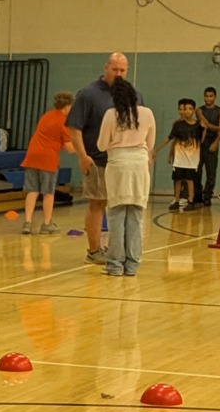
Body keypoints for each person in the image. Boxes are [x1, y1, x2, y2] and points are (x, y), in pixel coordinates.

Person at [66, 53, 143, 264]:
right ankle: (94, 250)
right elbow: (74, 128)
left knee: (123, 205)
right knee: (97, 203)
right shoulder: (89, 94)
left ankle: (120, 249)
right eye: (114, 69)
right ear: (106, 67)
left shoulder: (134, 95)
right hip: (97, 160)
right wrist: (82, 156)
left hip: (124, 162)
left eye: (123, 70)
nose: (118, 74)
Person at [96, 80, 156, 277]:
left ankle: (114, 265)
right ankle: (132, 265)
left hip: (118, 166)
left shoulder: (110, 115)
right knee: (135, 218)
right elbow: (151, 143)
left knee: (116, 217)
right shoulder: (147, 114)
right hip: (139, 165)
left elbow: (101, 145)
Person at [20, 91, 76, 234]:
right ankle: (47, 223)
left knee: (32, 190)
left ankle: (27, 223)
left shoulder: (46, 116)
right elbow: (70, 148)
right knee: (48, 192)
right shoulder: (64, 122)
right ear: (68, 106)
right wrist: (83, 147)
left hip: (32, 155)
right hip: (48, 158)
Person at [152, 98, 200, 212]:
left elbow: (203, 139)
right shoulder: (178, 125)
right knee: (177, 179)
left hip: (192, 159)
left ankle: (191, 201)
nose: (186, 111)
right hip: (179, 158)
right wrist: (157, 149)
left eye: (189, 109)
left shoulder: (199, 126)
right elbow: (170, 138)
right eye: (184, 109)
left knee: (190, 180)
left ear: (194, 111)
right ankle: (177, 200)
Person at [194, 87, 220, 206]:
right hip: (200, 143)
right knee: (197, 171)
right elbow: (207, 125)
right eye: (206, 96)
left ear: (215, 97)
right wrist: (219, 128)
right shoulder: (199, 110)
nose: (208, 98)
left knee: (211, 172)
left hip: (212, 143)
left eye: (211, 96)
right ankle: (197, 195)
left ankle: (207, 196)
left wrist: (216, 142)